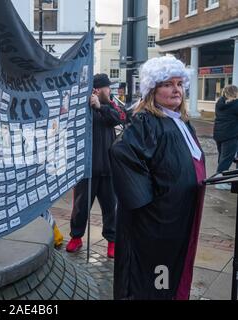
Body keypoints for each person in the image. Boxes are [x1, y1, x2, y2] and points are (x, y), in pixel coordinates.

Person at [110, 56, 206, 300]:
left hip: (179, 216)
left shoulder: (182, 121)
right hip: (157, 223)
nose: (176, 90)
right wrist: (151, 203)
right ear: (153, 90)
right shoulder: (147, 122)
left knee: (174, 267)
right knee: (158, 275)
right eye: (167, 84)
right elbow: (121, 153)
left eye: (179, 83)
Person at [66, 73, 127, 257]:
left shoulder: (110, 106)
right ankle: (76, 237)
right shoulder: (82, 107)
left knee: (111, 208)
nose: (110, 91)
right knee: (80, 206)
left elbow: (120, 118)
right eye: (107, 88)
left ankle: (112, 240)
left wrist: (101, 107)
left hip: (108, 168)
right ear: (98, 89)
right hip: (87, 168)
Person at [213, 85, 238, 190]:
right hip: (230, 135)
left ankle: (219, 178)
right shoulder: (236, 104)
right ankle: (219, 182)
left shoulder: (220, 103)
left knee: (222, 158)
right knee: (226, 159)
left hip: (219, 134)